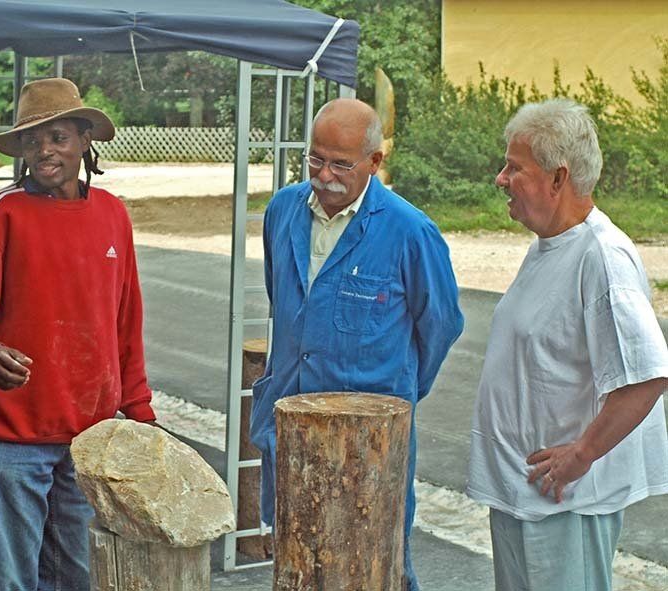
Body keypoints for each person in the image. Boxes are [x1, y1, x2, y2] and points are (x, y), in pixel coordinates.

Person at [0, 77, 156, 591]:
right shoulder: (0, 212)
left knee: (76, 577)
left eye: (57, 136)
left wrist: (139, 410)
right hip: (14, 435)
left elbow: (126, 319)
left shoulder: (113, 214)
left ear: (84, 139)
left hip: (89, 437)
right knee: (10, 581)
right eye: (32, 141)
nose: (44, 151)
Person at [250, 98, 464, 590]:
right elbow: (284, 303)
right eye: (315, 158)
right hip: (287, 427)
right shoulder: (283, 210)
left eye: (341, 163)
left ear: (375, 162)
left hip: (366, 446)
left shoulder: (410, 231)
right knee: (296, 563)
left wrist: (398, 391)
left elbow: (441, 324)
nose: (324, 175)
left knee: (372, 565)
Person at [467, 98, 668, 591]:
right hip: (525, 496)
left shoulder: (602, 257)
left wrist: (582, 453)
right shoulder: (551, 246)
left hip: (564, 502)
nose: (500, 178)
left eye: (514, 167)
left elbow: (645, 376)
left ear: (558, 179)